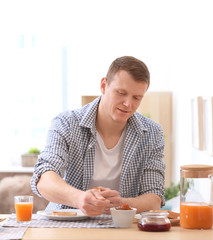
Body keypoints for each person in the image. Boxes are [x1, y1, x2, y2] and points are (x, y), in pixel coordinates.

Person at [31, 56, 166, 216]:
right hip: (67, 225)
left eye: (137, 98)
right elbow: (44, 178)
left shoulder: (152, 133)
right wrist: (79, 199)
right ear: (103, 85)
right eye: (121, 93)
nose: (128, 104)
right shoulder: (66, 123)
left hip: (122, 228)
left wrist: (122, 204)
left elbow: (154, 197)